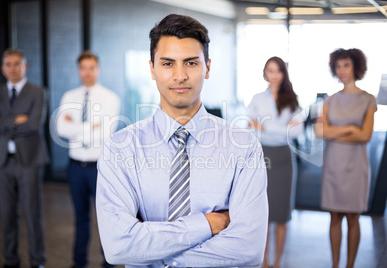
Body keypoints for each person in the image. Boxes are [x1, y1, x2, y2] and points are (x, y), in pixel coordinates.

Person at [95, 14, 268, 268]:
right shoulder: (119, 149)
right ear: (152, 69)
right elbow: (118, 247)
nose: (179, 76)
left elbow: (248, 249)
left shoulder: (244, 147)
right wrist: (209, 223)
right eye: (167, 64)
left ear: (207, 68)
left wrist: (153, 254)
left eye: (190, 63)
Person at [56, 50, 121, 268]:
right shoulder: (69, 97)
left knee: (105, 218)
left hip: (100, 168)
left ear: (98, 70)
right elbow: (60, 129)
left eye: (91, 68)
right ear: (78, 70)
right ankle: (79, 262)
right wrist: (89, 127)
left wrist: (75, 126)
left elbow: (106, 133)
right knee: (80, 218)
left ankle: (108, 262)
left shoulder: (110, 98)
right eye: (83, 68)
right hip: (75, 167)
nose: (87, 72)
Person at [0, 48, 49, 268]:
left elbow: (33, 125)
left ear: (25, 66)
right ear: (2, 68)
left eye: (16, 64)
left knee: (33, 214)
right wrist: (15, 120)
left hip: (28, 161)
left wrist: (2, 121)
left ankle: (37, 260)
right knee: (7, 215)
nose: (12, 68)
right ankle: (11, 260)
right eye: (8, 64)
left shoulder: (37, 92)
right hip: (1, 161)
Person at [315, 48, 377, 268]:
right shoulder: (330, 100)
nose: (341, 70)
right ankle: (335, 265)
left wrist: (336, 130)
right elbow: (320, 132)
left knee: (353, 218)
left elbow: (365, 135)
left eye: (346, 65)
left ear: (356, 67)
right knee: (334, 217)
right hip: (333, 165)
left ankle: (349, 265)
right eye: (338, 66)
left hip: (356, 166)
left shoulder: (368, 99)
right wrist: (351, 128)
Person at [247, 56, 303, 268]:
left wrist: (266, 128)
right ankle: (265, 263)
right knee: (264, 213)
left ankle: (278, 262)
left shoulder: (292, 99)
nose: (274, 75)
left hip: (284, 158)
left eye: (278, 70)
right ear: (265, 73)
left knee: (282, 213)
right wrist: (278, 130)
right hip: (263, 156)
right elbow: (251, 129)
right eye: (270, 70)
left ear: (283, 73)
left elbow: (296, 131)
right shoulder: (256, 98)